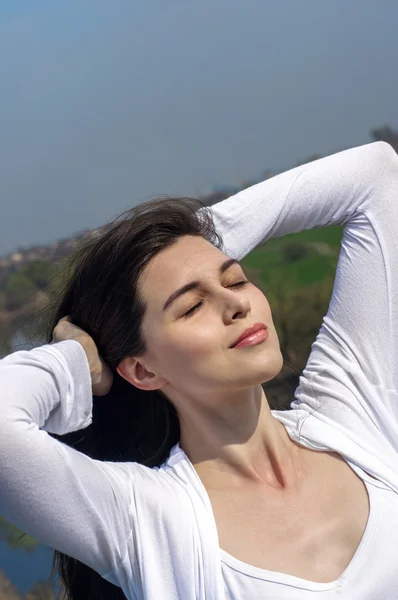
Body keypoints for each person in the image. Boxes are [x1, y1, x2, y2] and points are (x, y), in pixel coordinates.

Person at [1, 141, 398, 600]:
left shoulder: (354, 418)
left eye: (235, 279)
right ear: (142, 371)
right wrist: (76, 360)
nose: (235, 303)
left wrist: (197, 240)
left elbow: (375, 176)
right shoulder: (150, 523)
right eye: (191, 307)